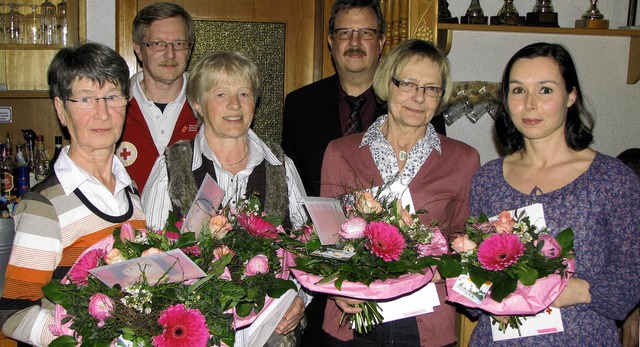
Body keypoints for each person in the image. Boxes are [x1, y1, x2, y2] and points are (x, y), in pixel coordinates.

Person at [468, 42, 640, 346]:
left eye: (545, 90)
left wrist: (580, 290)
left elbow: (630, 281)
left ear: (571, 95)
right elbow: (472, 277)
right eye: (518, 90)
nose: (529, 104)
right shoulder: (487, 180)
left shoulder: (612, 180)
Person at [142, 51, 310, 346]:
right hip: (195, 332)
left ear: (254, 103)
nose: (234, 105)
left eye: (244, 93)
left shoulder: (281, 166)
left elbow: (309, 247)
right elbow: (149, 260)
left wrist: (299, 298)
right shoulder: (171, 166)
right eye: (220, 94)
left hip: (273, 329)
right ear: (198, 104)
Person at [320, 39, 480, 347]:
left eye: (431, 88)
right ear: (387, 84)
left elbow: (466, 241)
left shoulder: (464, 160)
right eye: (407, 83)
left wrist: (441, 268)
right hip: (354, 316)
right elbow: (327, 239)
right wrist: (336, 289)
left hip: (426, 321)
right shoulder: (341, 153)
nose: (418, 97)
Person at [0, 43, 146, 346]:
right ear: (60, 109)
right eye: (85, 99)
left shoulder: (132, 196)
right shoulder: (44, 206)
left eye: (112, 97)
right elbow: (13, 313)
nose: (103, 112)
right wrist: (87, 339)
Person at [282, 0, 387, 198]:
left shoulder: (411, 104)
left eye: (366, 33)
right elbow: (291, 185)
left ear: (381, 42)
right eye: (345, 33)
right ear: (331, 41)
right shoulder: (299, 106)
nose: (354, 42)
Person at [116, 2, 199, 192]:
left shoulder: (209, 104)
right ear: (139, 49)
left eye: (179, 43)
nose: (170, 54)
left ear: (189, 49)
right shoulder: (113, 106)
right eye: (157, 44)